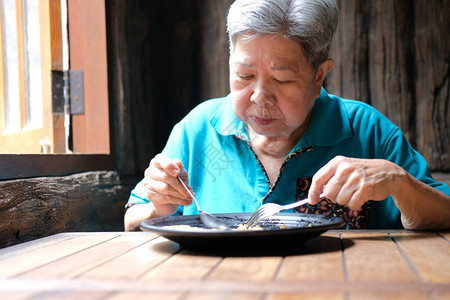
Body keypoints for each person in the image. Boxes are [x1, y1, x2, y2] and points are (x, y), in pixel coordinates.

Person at [124, 0, 450, 231]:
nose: (259, 97)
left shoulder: (366, 132)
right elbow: (131, 219)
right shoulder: (199, 131)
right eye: (244, 76)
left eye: (281, 79)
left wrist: (398, 181)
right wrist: (158, 208)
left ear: (319, 75)